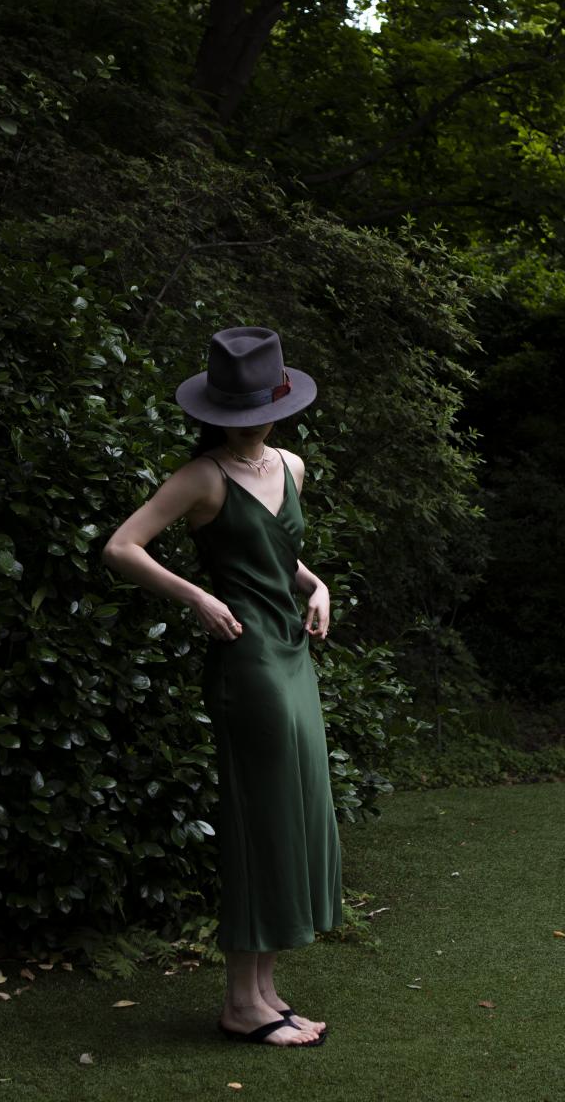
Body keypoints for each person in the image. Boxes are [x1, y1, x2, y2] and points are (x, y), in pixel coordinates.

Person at [100, 326, 343, 1049]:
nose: (250, 424)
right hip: (247, 660)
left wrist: (317, 585)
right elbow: (120, 547)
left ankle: (263, 993)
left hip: (292, 653)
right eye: (237, 413)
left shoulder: (292, 466)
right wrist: (197, 597)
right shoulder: (201, 477)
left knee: (291, 811)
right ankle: (241, 1003)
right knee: (259, 818)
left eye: (258, 411)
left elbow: (276, 557)